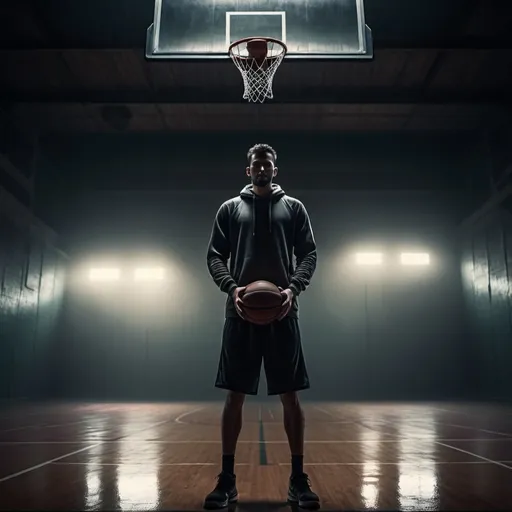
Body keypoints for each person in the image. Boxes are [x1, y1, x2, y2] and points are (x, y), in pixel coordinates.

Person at [204, 143, 319, 510]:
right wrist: (232, 287)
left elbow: (310, 253)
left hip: (284, 314)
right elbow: (213, 255)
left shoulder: (294, 208)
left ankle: (298, 480)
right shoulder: (229, 209)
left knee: (290, 395)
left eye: (267, 164)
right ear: (247, 170)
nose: (262, 169)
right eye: (256, 164)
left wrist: (293, 289)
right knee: (234, 395)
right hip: (240, 314)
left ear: (275, 170)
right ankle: (227, 480)